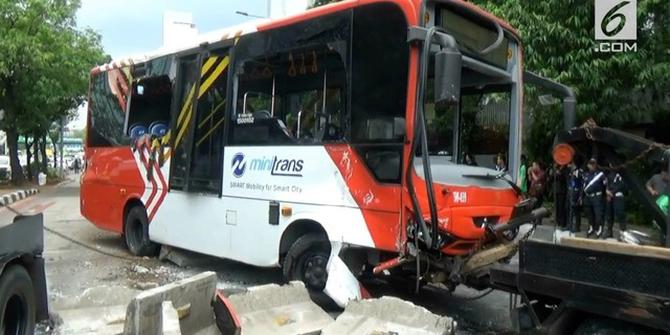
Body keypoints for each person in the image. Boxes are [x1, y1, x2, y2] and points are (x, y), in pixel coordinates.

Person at [583, 158, 606, 238]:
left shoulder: (600, 174)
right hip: (588, 196)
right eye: (590, 164)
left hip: (597, 196)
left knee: (598, 214)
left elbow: (605, 184)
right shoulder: (586, 174)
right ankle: (591, 227)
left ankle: (599, 229)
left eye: (593, 164)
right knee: (589, 213)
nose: (592, 166)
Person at [605, 170, 626, 239]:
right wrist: (607, 192)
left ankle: (622, 232)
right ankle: (609, 231)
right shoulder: (609, 174)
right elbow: (606, 184)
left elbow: (622, 184)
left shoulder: (621, 174)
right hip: (609, 195)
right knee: (609, 214)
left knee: (620, 213)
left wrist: (612, 192)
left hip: (618, 195)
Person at [567, 162, 584, 233]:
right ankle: (569, 225)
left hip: (576, 192)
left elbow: (582, 184)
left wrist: (581, 195)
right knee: (569, 210)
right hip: (571, 192)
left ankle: (577, 227)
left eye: (569, 164)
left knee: (576, 211)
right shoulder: (571, 172)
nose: (568, 166)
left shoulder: (579, 172)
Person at [554, 163, 568, 229]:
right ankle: (558, 221)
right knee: (557, 207)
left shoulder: (565, 170)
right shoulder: (556, 170)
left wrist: (560, 174)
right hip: (556, 190)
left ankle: (563, 222)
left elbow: (565, 179)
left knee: (561, 207)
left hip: (562, 191)